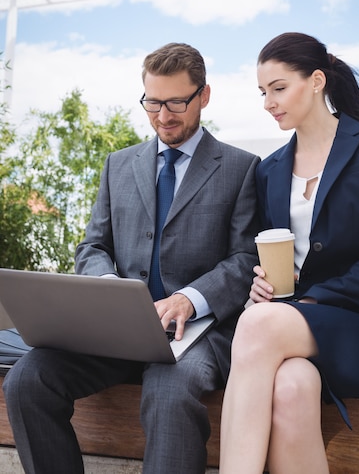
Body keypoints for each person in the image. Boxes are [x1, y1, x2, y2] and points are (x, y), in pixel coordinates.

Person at [3, 42, 260, 474]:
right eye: (152, 102)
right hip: (116, 331)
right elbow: (93, 247)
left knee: (168, 393)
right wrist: (108, 292)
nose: (163, 116)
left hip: (197, 332)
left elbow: (243, 259)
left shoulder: (241, 167)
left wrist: (190, 299)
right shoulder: (117, 165)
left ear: (205, 95)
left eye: (177, 102)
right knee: (27, 380)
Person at [219, 32, 359, 474]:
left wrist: (306, 305)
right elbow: (275, 255)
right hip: (293, 330)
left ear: (317, 81)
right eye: (263, 92)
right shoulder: (268, 170)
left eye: (279, 88)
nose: (268, 102)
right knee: (290, 388)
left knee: (257, 325)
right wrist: (263, 283)